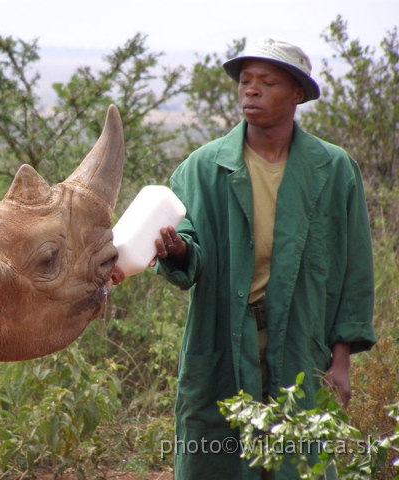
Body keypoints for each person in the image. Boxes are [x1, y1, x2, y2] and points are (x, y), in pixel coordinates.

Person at [112, 37, 377, 479]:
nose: (250, 90)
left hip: (301, 341)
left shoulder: (334, 170)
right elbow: (187, 245)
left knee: (300, 458)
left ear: (297, 94)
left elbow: (354, 270)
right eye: (245, 81)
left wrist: (342, 360)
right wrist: (176, 249)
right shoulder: (203, 167)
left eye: (267, 82)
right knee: (217, 456)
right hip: (222, 342)